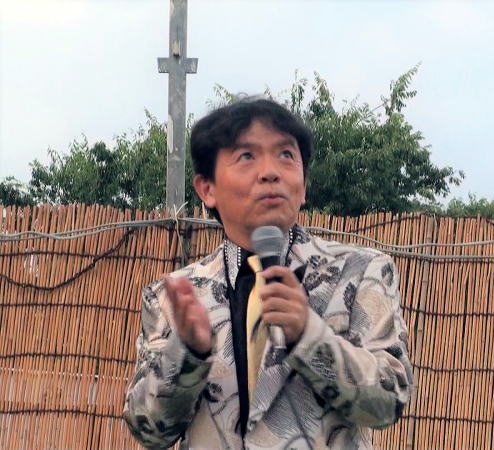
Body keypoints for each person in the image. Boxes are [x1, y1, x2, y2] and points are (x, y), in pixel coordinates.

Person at [123, 98, 413, 449]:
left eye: (286, 155)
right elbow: (150, 432)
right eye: (246, 156)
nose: (270, 172)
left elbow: (389, 402)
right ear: (207, 189)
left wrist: (309, 335)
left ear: (304, 185)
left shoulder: (360, 271)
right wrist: (186, 353)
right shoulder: (174, 297)